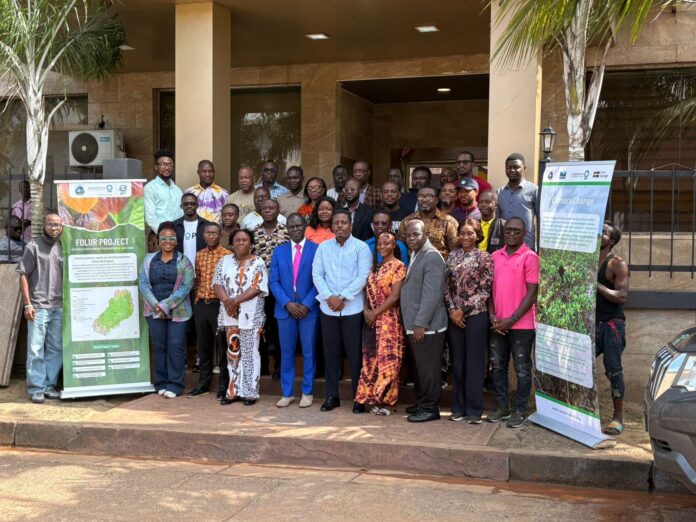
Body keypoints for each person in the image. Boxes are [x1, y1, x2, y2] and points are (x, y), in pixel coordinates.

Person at [312, 208, 372, 412]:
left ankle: (359, 398)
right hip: (328, 308)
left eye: (343, 222)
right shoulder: (323, 248)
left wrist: (342, 297)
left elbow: (363, 276)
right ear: (332, 226)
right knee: (331, 354)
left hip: (352, 309)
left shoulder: (361, 248)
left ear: (350, 225)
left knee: (355, 356)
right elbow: (317, 274)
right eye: (336, 222)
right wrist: (329, 297)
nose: (339, 226)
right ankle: (332, 396)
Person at [488, 217, 539, 428]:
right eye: (508, 230)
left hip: (521, 325)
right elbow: (489, 290)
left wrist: (512, 319)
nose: (511, 234)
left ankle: (520, 410)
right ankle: (502, 407)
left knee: (522, 369)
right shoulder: (494, 256)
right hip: (498, 324)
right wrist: (493, 316)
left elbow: (532, 293)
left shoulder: (530, 257)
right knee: (498, 367)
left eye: (516, 231)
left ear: (524, 233)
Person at [138, 221, 195, 398]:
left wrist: (165, 305)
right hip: (153, 311)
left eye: (171, 238)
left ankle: (175, 385)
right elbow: (143, 284)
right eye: (164, 238)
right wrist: (157, 305)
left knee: (176, 347)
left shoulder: (184, 261)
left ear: (176, 241)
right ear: (158, 239)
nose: (167, 241)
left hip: (179, 312)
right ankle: (161, 383)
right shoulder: (148, 260)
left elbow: (186, 286)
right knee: (159, 347)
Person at [445, 219, 493, 424]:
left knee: (474, 363)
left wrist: (463, 311)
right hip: (454, 317)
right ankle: (458, 407)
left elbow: (485, 289)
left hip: (476, 315)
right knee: (457, 362)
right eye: (462, 233)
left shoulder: (484, 257)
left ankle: (474, 410)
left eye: (470, 233)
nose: (466, 237)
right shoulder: (452, 256)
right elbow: (446, 287)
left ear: (477, 235)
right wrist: (452, 310)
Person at [213, 228, 268, 406]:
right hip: (229, 315)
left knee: (250, 354)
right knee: (233, 353)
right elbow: (217, 283)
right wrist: (227, 302)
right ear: (232, 243)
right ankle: (233, 391)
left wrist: (234, 301)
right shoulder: (224, 261)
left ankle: (250, 393)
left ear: (251, 243)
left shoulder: (258, 261)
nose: (241, 243)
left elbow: (257, 287)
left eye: (245, 240)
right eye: (237, 240)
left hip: (251, 316)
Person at [269, 214, 319, 408]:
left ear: (305, 226)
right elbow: (273, 281)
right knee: (286, 352)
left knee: (309, 352)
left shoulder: (316, 249)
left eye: (299, 225)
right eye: (292, 226)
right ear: (287, 229)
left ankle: (307, 392)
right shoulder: (279, 251)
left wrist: (307, 304)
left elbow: (320, 279)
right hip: (285, 310)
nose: (295, 229)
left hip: (308, 310)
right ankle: (287, 393)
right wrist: (287, 303)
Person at [400, 220, 447, 423]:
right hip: (416, 324)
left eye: (416, 234)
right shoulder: (416, 253)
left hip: (427, 326)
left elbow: (432, 294)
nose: (412, 238)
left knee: (429, 370)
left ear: (425, 234)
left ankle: (430, 408)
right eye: (409, 235)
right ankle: (422, 402)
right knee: (420, 369)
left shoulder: (432, 256)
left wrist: (421, 323)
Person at [355, 231, 407, 415]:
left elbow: (395, 296)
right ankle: (372, 399)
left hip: (389, 321)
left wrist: (375, 313)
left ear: (394, 245)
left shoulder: (398, 266)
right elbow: (366, 292)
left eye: (387, 243)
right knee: (371, 361)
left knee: (388, 361)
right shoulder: (374, 267)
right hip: (370, 321)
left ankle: (387, 402)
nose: (383, 246)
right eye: (380, 244)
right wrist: (367, 312)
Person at [16, 213, 64, 403]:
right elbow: (23, 274)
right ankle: (36, 388)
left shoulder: (63, 246)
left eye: (57, 225)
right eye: (50, 224)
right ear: (44, 225)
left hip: (59, 306)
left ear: (62, 227)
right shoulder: (33, 247)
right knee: (36, 349)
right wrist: (27, 303)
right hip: (38, 306)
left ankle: (49, 385)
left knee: (56, 348)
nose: (54, 228)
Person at [187, 223, 230, 399]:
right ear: (203, 235)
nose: (211, 236)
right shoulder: (199, 255)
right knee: (203, 346)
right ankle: (203, 384)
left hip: (218, 306)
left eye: (214, 233)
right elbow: (197, 280)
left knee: (222, 346)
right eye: (208, 233)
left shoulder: (227, 255)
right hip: (201, 305)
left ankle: (224, 385)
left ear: (220, 235)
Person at [596, 221, 630, 436]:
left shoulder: (616, 264)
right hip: (591, 323)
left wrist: (596, 284)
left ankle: (617, 418)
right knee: (578, 365)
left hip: (611, 325)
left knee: (614, 370)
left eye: (604, 232)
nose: (598, 233)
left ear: (612, 241)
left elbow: (622, 296)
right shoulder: (587, 259)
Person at [253, 198, 290, 377]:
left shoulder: (287, 231)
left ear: (278, 210)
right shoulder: (254, 232)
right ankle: (263, 365)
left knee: (278, 327)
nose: (267, 210)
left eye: (271, 208)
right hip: (259, 289)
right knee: (261, 325)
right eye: (265, 208)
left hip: (281, 288)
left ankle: (279, 366)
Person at [397, 187, 459, 259]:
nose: (424, 200)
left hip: (440, 264)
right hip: (414, 264)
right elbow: (401, 248)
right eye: (421, 196)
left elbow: (455, 251)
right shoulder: (407, 221)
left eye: (429, 196)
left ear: (436, 200)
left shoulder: (448, 221)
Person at [497, 153, 538, 250]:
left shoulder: (533, 190)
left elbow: (540, 219)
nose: (512, 170)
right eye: (509, 167)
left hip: (527, 246)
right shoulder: (500, 192)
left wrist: (540, 246)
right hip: (505, 247)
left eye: (516, 167)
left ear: (524, 168)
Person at [144, 150, 183, 234]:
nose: (167, 168)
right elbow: (150, 218)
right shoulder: (150, 188)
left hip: (177, 234)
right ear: (156, 167)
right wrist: (163, 234)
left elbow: (181, 213)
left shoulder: (177, 190)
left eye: (170, 164)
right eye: (163, 164)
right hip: (160, 235)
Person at [173, 193, 211, 270]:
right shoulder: (174, 226)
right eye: (185, 204)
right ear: (181, 206)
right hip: (180, 269)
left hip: (202, 269)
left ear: (197, 205)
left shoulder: (207, 225)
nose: (189, 206)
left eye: (192, 203)